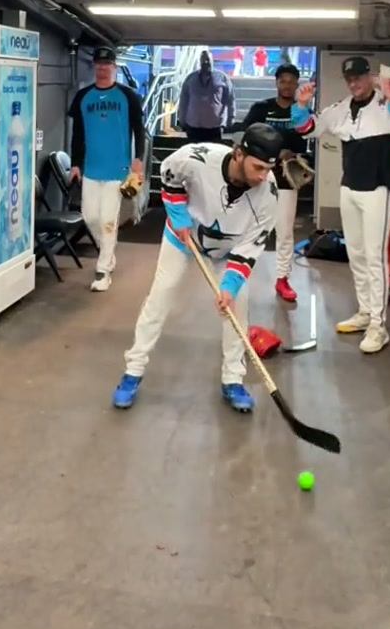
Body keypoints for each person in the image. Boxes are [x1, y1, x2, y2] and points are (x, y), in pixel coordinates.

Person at [111, 123, 282, 412]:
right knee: (159, 298)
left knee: (237, 306)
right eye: (258, 167)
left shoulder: (269, 193)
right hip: (183, 237)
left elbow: (250, 247)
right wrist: (178, 215)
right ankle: (133, 372)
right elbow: (169, 173)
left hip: (229, 249)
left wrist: (228, 287)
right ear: (239, 154)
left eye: (268, 169)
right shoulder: (199, 158)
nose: (263, 176)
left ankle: (232, 379)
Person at [292, 56, 390, 353]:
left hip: (379, 187)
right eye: (349, 79)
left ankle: (379, 324)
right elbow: (308, 128)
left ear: (369, 77)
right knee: (357, 253)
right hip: (349, 187)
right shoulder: (339, 110)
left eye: (359, 77)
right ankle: (365, 312)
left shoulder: (386, 108)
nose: (354, 83)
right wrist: (301, 106)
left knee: (375, 257)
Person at [69, 46, 144, 291]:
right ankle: (108, 253)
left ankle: (103, 271)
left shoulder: (128, 96)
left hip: (118, 169)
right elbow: (77, 134)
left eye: (107, 64)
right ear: (95, 66)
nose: (103, 67)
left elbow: (138, 129)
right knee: (90, 216)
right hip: (91, 168)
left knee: (107, 220)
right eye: (99, 64)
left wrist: (138, 159)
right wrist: (76, 164)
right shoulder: (83, 97)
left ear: (114, 66)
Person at [240, 63, 308, 304]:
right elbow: (248, 136)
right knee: (249, 226)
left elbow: (304, 143)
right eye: (283, 81)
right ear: (276, 83)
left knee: (285, 230)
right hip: (259, 177)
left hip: (287, 176)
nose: (287, 85)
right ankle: (238, 274)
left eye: (292, 81)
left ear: (297, 84)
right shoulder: (262, 109)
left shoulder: (302, 111)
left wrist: (292, 154)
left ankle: (282, 278)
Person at [178, 50, 235, 143]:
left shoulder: (222, 78)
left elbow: (230, 99)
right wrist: (182, 119)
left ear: (212, 60)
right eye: (203, 60)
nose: (205, 62)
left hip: (214, 126)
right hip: (193, 125)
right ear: (199, 62)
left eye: (208, 60)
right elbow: (184, 100)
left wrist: (231, 118)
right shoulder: (190, 78)